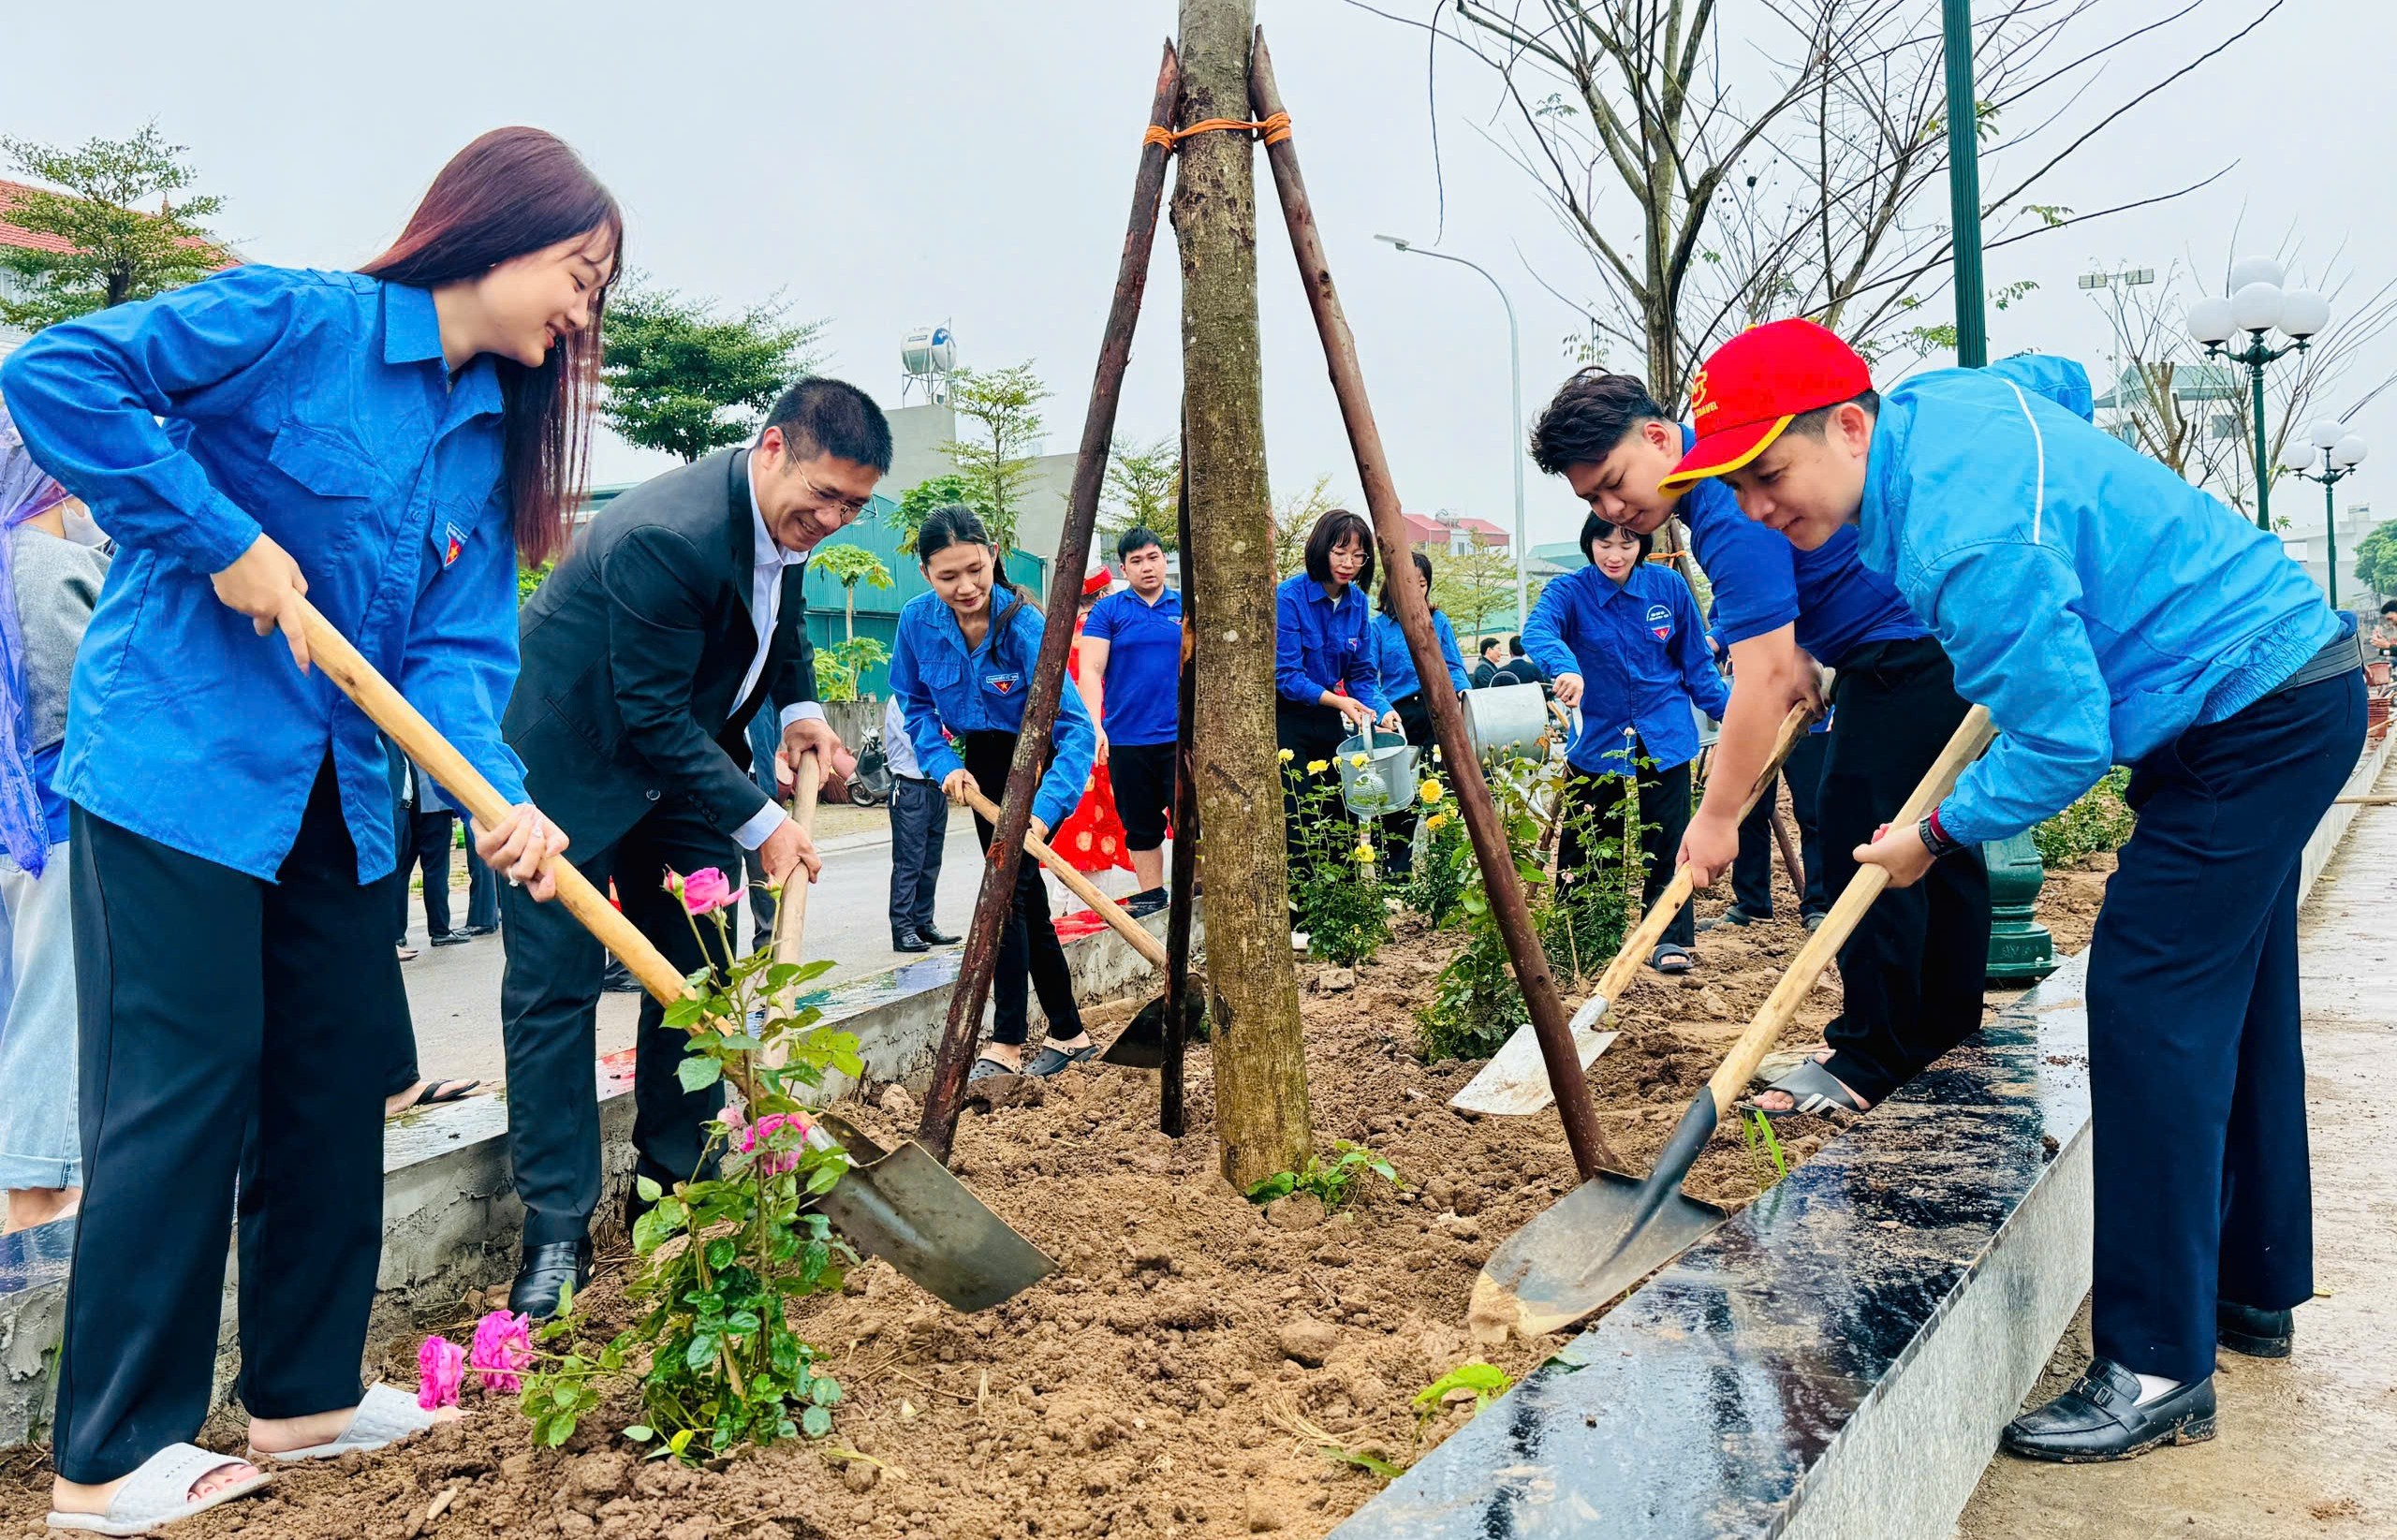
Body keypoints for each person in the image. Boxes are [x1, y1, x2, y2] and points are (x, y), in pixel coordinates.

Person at [1, 125, 607, 1527]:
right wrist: (219, 538)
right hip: (183, 767)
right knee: (185, 1083)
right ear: (497, 231)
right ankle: (109, 1455)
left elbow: (459, 649)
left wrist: (496, 797)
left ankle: (308, 1395)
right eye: (578, 275)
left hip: (345, 794)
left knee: (336, 1080)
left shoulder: (483, 443)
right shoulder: (296, 319)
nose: (584, 312)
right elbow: (52, 375)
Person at [1685, 315, 2362, 1462]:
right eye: (1735, 485)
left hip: (2245, 719)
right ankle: (2248, 1286)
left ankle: (2154, 1363)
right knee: (2230, 1002)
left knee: (2147, 1009)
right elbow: (2062, 377)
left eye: (1768, 473)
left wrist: (1933, 833)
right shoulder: (1948, 403)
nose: (1755, 509)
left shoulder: (1964, 545)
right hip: (2287, 685)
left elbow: (2061, 739)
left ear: (1850, 426)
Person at [497, 376, 881, 1317]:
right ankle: (554, 1229)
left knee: (700, 971)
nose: (828, 518)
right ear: (772, 448)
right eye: (821, 495)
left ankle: (669, 1186)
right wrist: (766, 820)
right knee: (555, 990)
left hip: (672, 761)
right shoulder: (668, 535)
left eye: (852, 506)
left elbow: (777, 606)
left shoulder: (778, 526)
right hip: (567, 765)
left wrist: (798, 711)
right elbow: (650, 712)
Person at [1531, 367, 1989, 1120]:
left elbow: (1761, 677)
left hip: (1907, 652)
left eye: (1614, 483)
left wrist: (1714, 821)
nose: (1614, 510)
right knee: (1925, 837)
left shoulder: (1723, 502)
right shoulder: (1720, 486)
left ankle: (1872, 1055)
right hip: (1918, 646)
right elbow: (1785, 629)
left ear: (1655, 437)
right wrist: (1805, 648)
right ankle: (1941, 1032)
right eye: (1592, 501)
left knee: (1862, 833)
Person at [889, 505, 1098, 1080]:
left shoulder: (1026, 626)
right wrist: (941, 764)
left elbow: (1075, 729)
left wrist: (1043, 812)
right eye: (947, 575)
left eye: (975, 570)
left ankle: (1007, 1042)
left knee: (1006, 896)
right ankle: (1069, 1032)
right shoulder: (916, 622)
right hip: (980, 764)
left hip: (1033, 762)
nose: (966, 586)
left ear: (994, 555)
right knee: (1020, 899)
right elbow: (915, 705)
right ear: (926, 572)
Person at [1524, 518, 1728, 971]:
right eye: (1604, 542)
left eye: (1626, 542)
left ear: (1641, 545)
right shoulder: (1569, 592)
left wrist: (1734, 713)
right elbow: (1538, 631)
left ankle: (1666, 939)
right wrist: (1565, 667)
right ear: (1589, 544)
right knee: (1590, 839)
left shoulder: (1669, 587)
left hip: (1666, 733)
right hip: (1598, 738)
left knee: (1669, 841)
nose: (1614, 554)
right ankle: (1584, 935)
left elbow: (1696, 663)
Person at [0, 413, 104, 1239]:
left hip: (11, 826)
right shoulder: (50, 563)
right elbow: (96, 695)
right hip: (62, 819)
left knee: (15, 998)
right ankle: (35, 1196)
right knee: (53, 1002)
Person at [1277, 509, 1401, 894]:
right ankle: (1300, 912)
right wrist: (1342, 703)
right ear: (1320, 550)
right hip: (1290, 720)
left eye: (1358, 556)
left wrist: (1383, 710)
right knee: (1299, 813)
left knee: (1342, 809)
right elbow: (1286, 676)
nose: (1349, 563)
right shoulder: (1290, 597)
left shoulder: (1358, 604)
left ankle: (1343, 904)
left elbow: (1362, 675)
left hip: (1333, 717)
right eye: (1340, 552)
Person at [1079, 528, 1184, 916]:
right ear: (1123, 568)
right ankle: (1153, 895)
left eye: (1153, 557)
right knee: (1140, 823)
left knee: (1192, 818)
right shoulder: (1109, 611)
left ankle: (1201, 888)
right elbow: (1089, 670)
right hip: (1127, 738)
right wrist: (1095, 724)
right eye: (1136, 561)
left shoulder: (1184, 605)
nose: (1146, 567)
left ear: (1163, 560)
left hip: (1180, 737)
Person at [1702, 616, 1831, 931]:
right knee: (1747, 807)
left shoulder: (1801, 573)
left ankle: (1820, 903)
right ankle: (1751, 902)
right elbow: (1732, 613)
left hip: (1807, 705)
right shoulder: (1741, 572)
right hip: (1755, 705)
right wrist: (1715, 640)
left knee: (1814, 808)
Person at [1371, 550, 1469, 874]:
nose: (1415, 591)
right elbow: (1368, 677)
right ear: (1392, 583)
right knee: (1397, 797)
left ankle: (1446, 871)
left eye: (1422, 584)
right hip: (1396, 718)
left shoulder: (1438, 622)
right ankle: (1395, 875)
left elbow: (1454, 666)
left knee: (1441, 791)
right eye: (1407, 583)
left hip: (1436, 714)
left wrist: (1463, 696)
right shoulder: (1379, 628)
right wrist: (1382, 712)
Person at [1052, 572, 1133, 886]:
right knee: (1097, 836)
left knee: (1068, 834)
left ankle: (1062, 912)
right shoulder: (1106, 632)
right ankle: (1082, 917)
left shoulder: (1059, 636)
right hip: (1104, 741)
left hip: (1065, 744)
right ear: (1102, 597)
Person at [883, 691, 956, 951]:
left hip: (937, 788)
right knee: (908, 863)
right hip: (910, 790)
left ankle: (924, 923)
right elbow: (918, 743)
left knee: (930, 863)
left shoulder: (936, 698)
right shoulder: (900, 701)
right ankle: (903, 929)